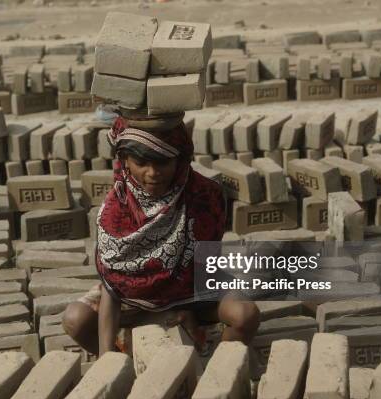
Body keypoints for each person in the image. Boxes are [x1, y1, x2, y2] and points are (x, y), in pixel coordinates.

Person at [62, 110, 260, 356]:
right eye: (141, 163)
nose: (153, 173)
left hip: (192, 293)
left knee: (245, 314)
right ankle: (127, 359)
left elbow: (204, 267)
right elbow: (112, 290)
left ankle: (215, 372)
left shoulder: (204, 197)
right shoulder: (116, 211)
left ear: (180, 159)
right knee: (75, 319)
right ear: (124, 160)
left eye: (163, 162)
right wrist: (107, 363)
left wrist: (186, 311)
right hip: (133, 300)